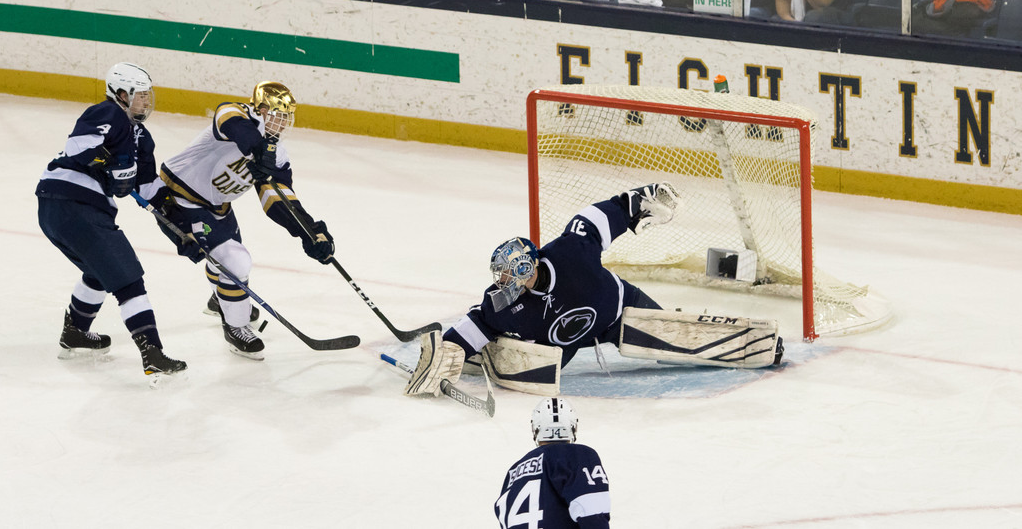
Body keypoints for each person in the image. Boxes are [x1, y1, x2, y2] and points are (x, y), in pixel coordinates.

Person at [403, 183, 784, 397]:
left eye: (506, 274)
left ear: (525, 267)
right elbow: (478, 322)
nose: (500, 281)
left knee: (671, 336)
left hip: (621, 310)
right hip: (565, 347)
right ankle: (483, 358)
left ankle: (760, 346)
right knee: (514, 353)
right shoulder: (502, 301)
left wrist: (637, 202)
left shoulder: (569, 251)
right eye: (499, 274)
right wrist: (449, 349)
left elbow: (597, 218)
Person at [152, 81, 335, 360]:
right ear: (260, 109)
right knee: (236, 262)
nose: (282, 124)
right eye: (277, 115)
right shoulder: (239, 116)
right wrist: (256, 148)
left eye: (287, 118)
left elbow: (277, 199)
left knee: (229, 264)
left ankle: (222, 300)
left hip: (217, 205)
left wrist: (309, 232)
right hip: (178, 199)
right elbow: (227, 116)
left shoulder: (278, 154)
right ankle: (236, 327)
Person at [36, 62, 188, 378]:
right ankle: (153, 353)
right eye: (140, 96)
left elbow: (147, 187)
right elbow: (79, 145)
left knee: (99, 270)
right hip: (75, 203)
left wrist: (181, 221)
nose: (147, 102)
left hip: (62, 208)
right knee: (128, 278)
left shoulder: (141, 138)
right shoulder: (108, 114)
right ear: (121, 94)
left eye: (149, 96)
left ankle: (75, 331)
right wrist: (109, 158)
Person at [495, 398, 611, 529]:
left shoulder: (513, 473)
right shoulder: (579, 455)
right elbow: (593, 514)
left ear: (536, 429)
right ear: (572, 426)